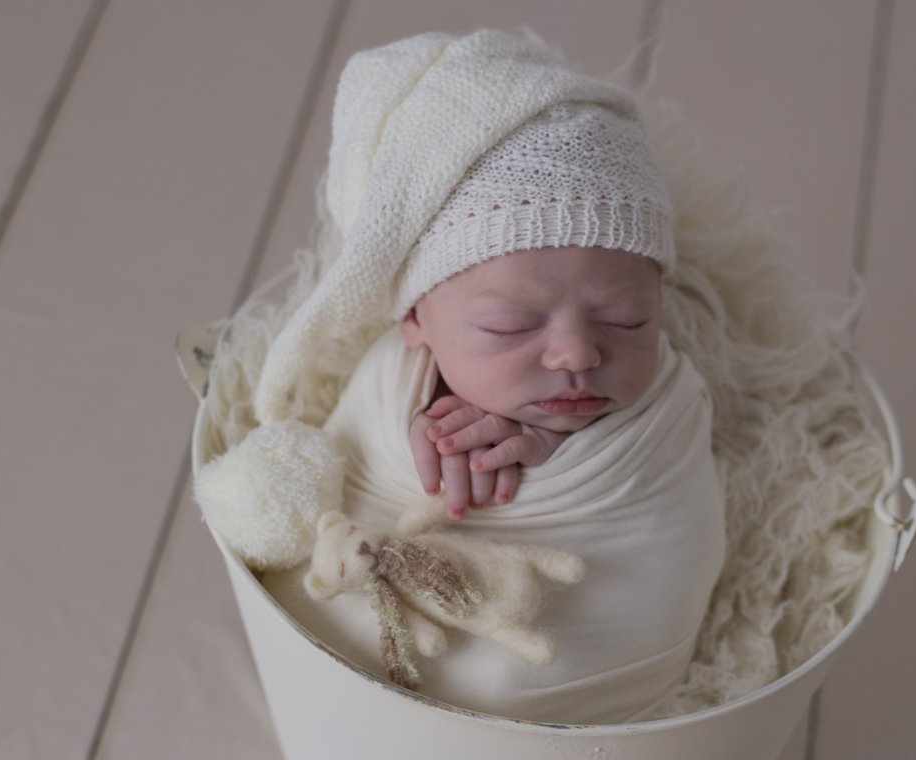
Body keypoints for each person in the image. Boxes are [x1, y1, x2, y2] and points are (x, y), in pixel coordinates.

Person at [258, 30, 726, 724]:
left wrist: (550, 449)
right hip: (349, 707)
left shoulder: (670, 405)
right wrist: (424, 430)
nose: (577, 355)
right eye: (512, 326)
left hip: (602, 720)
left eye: (626, 318)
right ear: (414, 319)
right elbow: (338, 480)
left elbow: (672, 521)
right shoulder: (391, 379)